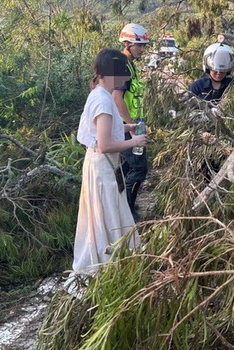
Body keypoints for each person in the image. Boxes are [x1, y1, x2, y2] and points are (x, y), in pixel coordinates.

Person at [65, 48, 148, 292]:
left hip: (102, 167)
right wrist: (135, 142)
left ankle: (117, 260)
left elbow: (107, 131)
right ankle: (108, 264)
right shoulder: (102, 100)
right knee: (106, 216)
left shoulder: (100, 94)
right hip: (102, 170)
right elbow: (104, 144)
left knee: (109, 213)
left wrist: (129, 127)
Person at [113, 23, 150, 222]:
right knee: (139, 167)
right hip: (126, 127)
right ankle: (128, 211)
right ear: (127, 43)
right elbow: (117, 98)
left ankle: (123, 206)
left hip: (130, 125)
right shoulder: (122, 66)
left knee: (127, 168)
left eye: (144, 45)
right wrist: (133, 128)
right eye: (139, 45)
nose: (142, 49)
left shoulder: (128, 64)